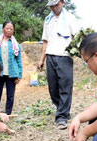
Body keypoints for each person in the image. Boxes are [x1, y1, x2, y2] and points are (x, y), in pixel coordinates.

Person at [37, 0, 81, 129]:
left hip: (64, 57)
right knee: (53, 87)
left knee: (65, 87)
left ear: (62, 3)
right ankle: (62, 108)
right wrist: (41, 59)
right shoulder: (48, 20)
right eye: (51, 6)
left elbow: (78, 36)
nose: (53, 8)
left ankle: (61, 116)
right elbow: (45, 40)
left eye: (56, 5)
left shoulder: (70, 18)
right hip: (50, 56)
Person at [0, 20, 22, 115]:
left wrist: (19, 75)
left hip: (12, 73)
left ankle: (8, 113)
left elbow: (19, 61)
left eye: (11, 29)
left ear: (13, 31)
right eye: (7, 28)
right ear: (3, 29)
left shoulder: (16, 45)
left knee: (10, 95)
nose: (9, 30)